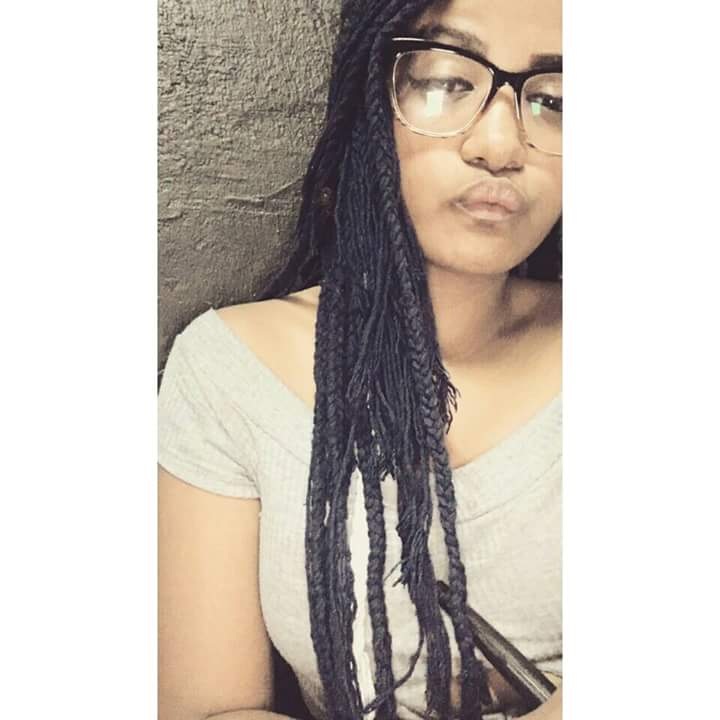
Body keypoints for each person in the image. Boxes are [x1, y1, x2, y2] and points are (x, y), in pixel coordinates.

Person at [158, 0, 563, 718]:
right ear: (369, 101)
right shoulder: (229, 371)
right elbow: (207, 708)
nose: (501, 145)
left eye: (556, 101)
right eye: (445, 80)